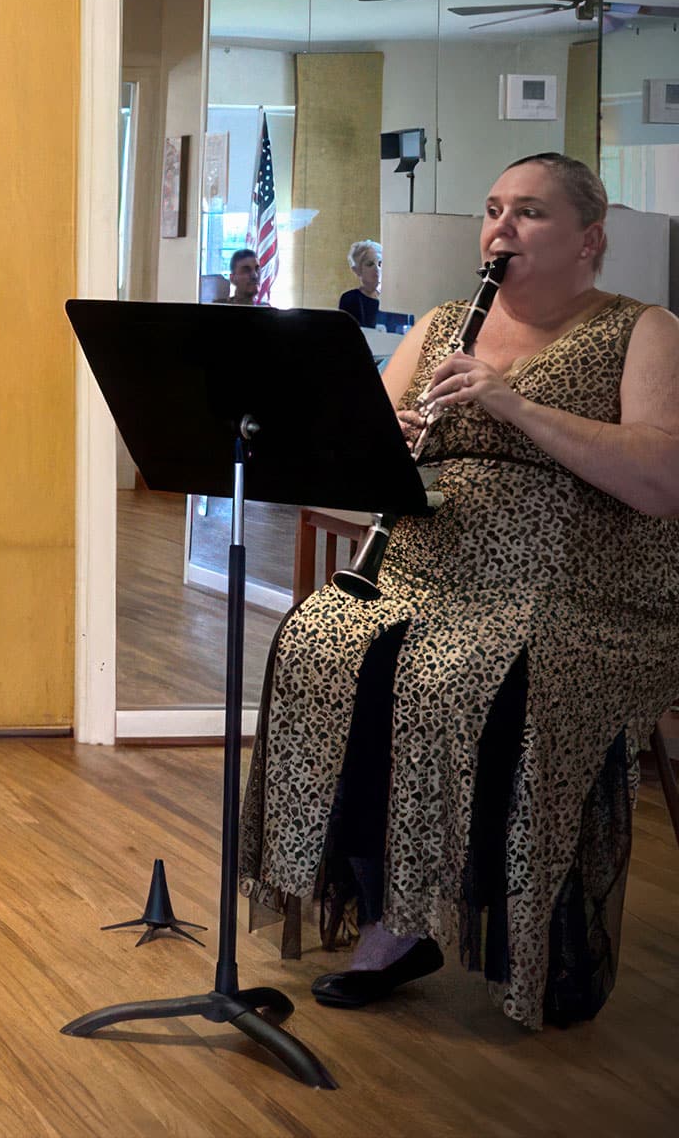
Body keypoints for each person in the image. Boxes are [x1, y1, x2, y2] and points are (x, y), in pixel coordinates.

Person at [240, 152, 679, 1029]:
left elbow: (663, 481)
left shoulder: (643, 329)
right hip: (421, 573)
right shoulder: (445, 322)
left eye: (530, 212)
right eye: (492, 209)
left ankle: (490, 920)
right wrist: (384, 446)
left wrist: (513, 404)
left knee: (466, 675)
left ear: (590, 238)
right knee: (319, 642)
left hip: (576, 592)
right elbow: (341, 465)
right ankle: (391, 908)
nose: (500, 228)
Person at [338, 239, 384, 328]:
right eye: (370, 264)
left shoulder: (389, 300)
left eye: (380, 264)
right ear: (357, 270)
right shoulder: (350, 299)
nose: (377, 269)